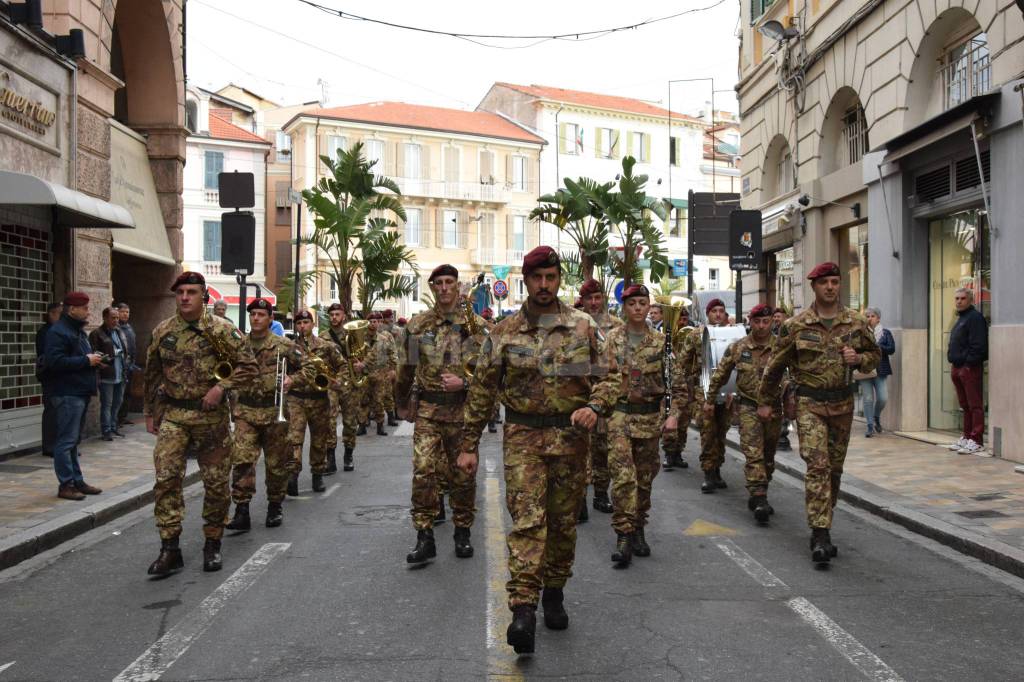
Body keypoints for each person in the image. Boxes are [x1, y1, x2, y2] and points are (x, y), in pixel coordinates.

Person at [457, 246, 619, 655]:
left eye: (550, 277)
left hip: (570, 440)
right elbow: (482, 390)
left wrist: (595, 405)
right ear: (525, 281)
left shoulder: (583, 328)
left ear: (558, 279)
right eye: (536, 278)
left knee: (563, 523)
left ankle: (555, 592)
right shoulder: (505, 332)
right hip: (523, 439)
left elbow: (612, 377)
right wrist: (468, 445)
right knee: (528, 522)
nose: (544, 285)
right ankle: (523, 610)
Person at [757, 262, 879, 564]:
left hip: (842, 406)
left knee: (834, 471)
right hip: (809, 405)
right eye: (825, 282)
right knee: (818, 466)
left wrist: (859, 357)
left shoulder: (856, 322)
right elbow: (774, 368)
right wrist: (766, 401)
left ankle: (824, 517)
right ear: (814, 286)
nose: (830, 287)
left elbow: (875, 357)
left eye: (835, 282)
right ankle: (821, 533)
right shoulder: (795, 325)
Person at [144, 271, 258, 576]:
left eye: (191, 292)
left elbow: (249, 368)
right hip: (175, 416)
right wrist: (150, 412)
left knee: (217, 484)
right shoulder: (163, 331)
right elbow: (152, 372)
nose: (184, 298)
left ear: (203, 295)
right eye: (180, 292)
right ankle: (170, 548)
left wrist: (222, 387)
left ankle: (212, 544)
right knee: (166, 479)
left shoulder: (223, 330)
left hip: (212, 418)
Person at [396, 264, 486, 564]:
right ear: (432, 287)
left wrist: (466, 381)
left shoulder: (475, 327)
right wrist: (401, 402)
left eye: (450, 282)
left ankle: (463, 531)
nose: (445, 287)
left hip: (462, 412)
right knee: (423, 471)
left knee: (462, 475)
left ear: (458, 286)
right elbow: (405, 369)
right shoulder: (418, 325)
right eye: (439, 283)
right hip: (429, 412)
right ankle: (424, 536)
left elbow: (490, 373)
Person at [605, 284, 672, 567]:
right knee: (623, 478)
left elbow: (673, 380)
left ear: (648, 307)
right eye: (631, 303)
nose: (637, 308)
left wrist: (673, 415)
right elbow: (601, 377)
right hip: (620, 416)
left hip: (649, 419)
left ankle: (638, 527)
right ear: (624, 306)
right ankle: (623, 533)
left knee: (644, 479)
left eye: (642, 303)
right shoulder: (612, 339)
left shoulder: (660, 341)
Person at [225, 299, 301, 531]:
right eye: (253, 314)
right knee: (242, 461)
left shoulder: (283, 344)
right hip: (246, 411)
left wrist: (292, 379)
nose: (256, 318)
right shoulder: (239, 344)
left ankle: (274, 506)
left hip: (273, 411)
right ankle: (242, 511)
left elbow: (309, 367)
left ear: (270, 319)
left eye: (260, 314)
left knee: (276, 463)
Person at [703, 304, 781, 524]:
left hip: (774, 408)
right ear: (750, 321)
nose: (762, 326)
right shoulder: (739, 347)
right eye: (757, 322)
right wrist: (710, 400)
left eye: (766, 322)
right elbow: (720, 374)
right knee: (753, 452)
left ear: (772, 322)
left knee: (768, 456)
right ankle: (759, 497)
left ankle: (761, 488)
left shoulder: (781, 348)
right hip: (748, 406)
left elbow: (793, 375)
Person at [41, 292, 105, 501]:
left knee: (73, 441)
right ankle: (66, 484)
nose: (88, 311)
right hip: (67, 393)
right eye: (85, 308)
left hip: (78, 390)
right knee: (65, 441)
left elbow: (77, 358)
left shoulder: (76, 331)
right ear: (72, 309)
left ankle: (77, 481)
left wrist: (96, 361)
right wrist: (86, 361)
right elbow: (55, 362)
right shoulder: (58, 332)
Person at [675, 298, 732, 493]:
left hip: (727, 390)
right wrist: (683, 388)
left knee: (722, 431)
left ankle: (717, 469)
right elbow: (683, 362)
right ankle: (708, 472)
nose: (718, 314)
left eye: (721, 310)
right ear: (708, 314)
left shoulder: (732, 335)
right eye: (714, 310)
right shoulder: (696, 335)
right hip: (703, 388)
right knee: (708, 431)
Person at [287, 309, 345, 494]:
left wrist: (338, 381)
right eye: (299, 323)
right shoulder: (289, 347)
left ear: (312, 324)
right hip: (296, 399)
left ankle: (317, 474)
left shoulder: (325, 346)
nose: (302, 326)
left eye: (306, 322)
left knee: (319, 440)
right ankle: (293, 476)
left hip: (319, 399)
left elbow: (342, 365)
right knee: (294, 440)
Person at [579, 278, 622, 518]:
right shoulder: (576, 324)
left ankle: (601, 493)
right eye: (589, 298)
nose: (594, 303)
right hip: (582, 394)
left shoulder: (616, 326)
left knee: (603, 448)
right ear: (582, 300)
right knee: (582, 447)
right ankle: (580, 498)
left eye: (597, 298)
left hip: (607, 394)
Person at [320, 303, 362, 471]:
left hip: (349, 383)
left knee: (350, 422)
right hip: (331, 383)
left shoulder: (352, 334)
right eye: (332, 315)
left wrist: (360, 363)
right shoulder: (323, 336)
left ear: (344, 315)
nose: (334, 317)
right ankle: (330, 458)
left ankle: (348, 454)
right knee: (329, 421)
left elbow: (361, 353)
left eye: (337, 314)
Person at [947, 287, 988, 455]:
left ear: (970, 300)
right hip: (957, 367)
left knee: (974, 404)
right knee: (964, 405)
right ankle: (966, 436)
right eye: (956, 298)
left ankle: (976, 439)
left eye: (962, 298)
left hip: (969, 368)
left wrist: (968, 364)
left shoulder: (975, 318)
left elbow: (979, 345)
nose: (959, 301)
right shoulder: (960, 318)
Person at [661, 306, 693, 470]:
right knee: (669, 417)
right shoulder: (664, 339)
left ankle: (678, 452)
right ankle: (668, 452)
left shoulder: (691, 335)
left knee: (684, 420)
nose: (682, 322)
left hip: (685, 382)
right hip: (669, 383)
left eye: (684, 320)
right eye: (679, 319)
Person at [89, 307, 128, 441]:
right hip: (107, 375)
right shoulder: (97, 333)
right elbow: (94, 353)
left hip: (120, 373)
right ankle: (106, 431)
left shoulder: (119, 331)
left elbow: (125, 350)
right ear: (105, 318)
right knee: (107, 404)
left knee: (118, 402)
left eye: (117, 317)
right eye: (113, 317)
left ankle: (113, 427)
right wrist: (113, 354)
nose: (116, 320)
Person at [857, 307, 895, 438]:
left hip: (880, 370)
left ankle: (876, 416)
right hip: (865, 369)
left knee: (883, 398)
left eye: (872, 316)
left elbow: (891, 349)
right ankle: (869, 426)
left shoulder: (885, 333)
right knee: (867, 399)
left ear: (878, 318)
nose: (869, 318)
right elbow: (856, 348)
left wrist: (877, 346)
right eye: (867, 316)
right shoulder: (861, 333)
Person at [36, 302, 63, 457]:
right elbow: (47, 356)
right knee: (51, 412)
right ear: (51, 314)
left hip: (59, 378)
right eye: (60, 313)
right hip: (50, 377)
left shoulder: (57, 331)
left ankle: (59, 445)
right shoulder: (45, 332)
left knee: (59, 413)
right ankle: (49, 446)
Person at [365, 311, 398, 435]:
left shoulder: (387, 336)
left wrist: (393, 369)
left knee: (384, 397)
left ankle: (386, 420)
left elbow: (393, 352)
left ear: (380, 322)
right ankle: (363, 422)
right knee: (364, 398)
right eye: (371, 321)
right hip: (366, 372)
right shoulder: (364, 335)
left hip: (382, 371)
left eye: (376, 321)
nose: (374, 324)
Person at [772, 307, 793, 452]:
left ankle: (784, 434)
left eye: (778, 316)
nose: (776, 319)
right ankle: (780, 435)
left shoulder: (791, 330)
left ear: (785, 316)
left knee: (788, 405)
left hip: (790, 375)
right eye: (775, 317)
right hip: (779, 375)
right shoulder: (773, 332)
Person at [115, 303, 138, 427]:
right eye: (123, 311)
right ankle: (116, 419)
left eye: (127, 312)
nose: (125, 314)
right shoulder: (116, 328)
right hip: (121, 366)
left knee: (128, 392)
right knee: (120, 393)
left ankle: (123, 416)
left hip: (130, 365)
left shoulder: (129, 327)